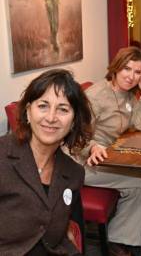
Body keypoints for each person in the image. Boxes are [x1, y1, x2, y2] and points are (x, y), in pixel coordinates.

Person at [80, 46, 141, 256]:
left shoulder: (127, 93)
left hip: (110, 155)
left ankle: (121, 237)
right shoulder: (95, 95)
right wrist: (93, 146)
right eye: (127, 69)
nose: (131, 76)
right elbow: (77, 137)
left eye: (138, 72)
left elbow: (139, 124)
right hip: (84, 162)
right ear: (116, 68)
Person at [0, 69, 93, 255]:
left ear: (74, 121)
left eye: (63, 109)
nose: (51, 118)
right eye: (43, 105)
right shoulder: (3, 155)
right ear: (28, 112)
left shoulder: (74, 173)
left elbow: (72, 229)